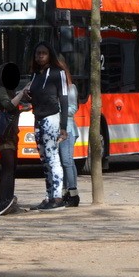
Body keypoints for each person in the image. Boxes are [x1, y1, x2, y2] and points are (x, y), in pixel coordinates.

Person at [21, 42, 69, 211]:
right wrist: (28, 96)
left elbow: (64, 99)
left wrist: (63, 126)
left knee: (52, 157)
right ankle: (50, 196)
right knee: (44, 159)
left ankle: (57, 198)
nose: (40, 56)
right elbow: (36, 96)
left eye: (44, 53)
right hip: (38, 118)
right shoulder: (35, 75)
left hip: (51, 118)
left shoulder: (58, 73)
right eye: (38, 53)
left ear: (50, 55)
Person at [0, 62, 23, 210]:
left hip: (10, 135)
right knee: (8, 167)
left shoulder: (10, 90)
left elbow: (12, 109)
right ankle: (4, 201)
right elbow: (8, 106)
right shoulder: (2, 89)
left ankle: (8, 200)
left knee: (11, 168)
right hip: (3, 136)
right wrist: (22, 93)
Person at [55, 55, 80, 207]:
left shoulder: (70, 88)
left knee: (67, 161)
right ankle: (64, 192)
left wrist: (56, 109)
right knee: (62, 162)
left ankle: (73, 194)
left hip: (68, 128)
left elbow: (73, 108)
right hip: (56, 129)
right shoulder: (55, 87)